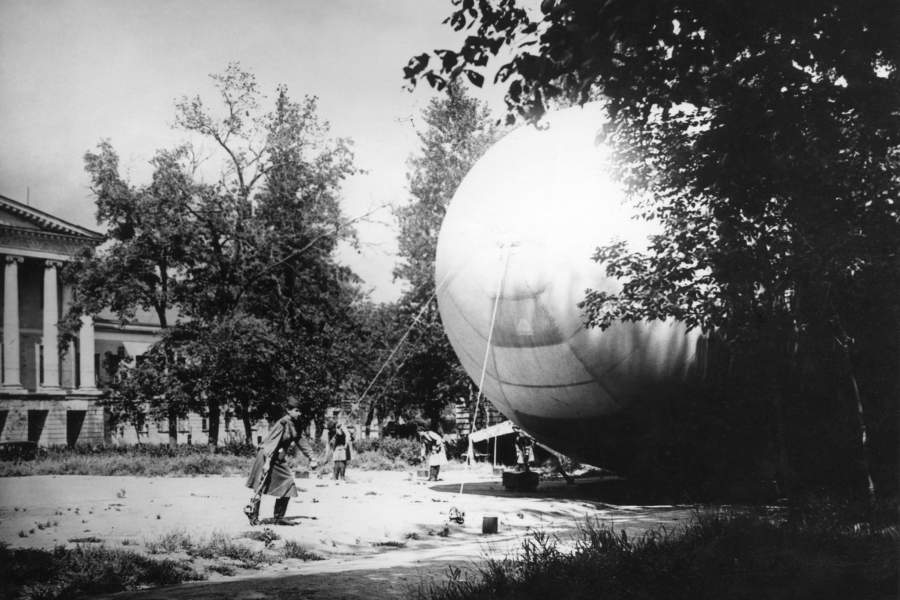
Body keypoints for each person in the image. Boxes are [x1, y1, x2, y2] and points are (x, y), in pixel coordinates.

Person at [243, 395, 317, 526]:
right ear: (289, 410)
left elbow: (301, 442)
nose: (299, 413)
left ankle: (279, 517)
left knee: (288, 483)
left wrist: (312, 457)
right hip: (267, 455)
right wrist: (267, 463)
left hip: (278, 458)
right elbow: (271, 443)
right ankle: (253, 516)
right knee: (260, 485)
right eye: (296, 410)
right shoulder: (283, 423)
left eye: (300, 411)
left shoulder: (295, 424)